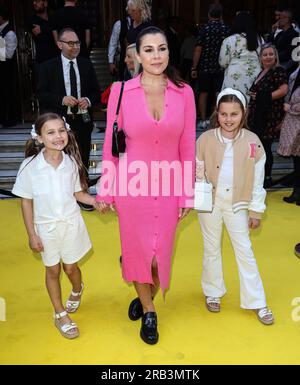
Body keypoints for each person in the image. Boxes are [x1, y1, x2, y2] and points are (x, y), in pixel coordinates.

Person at [96, 26, 195, 345]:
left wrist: (187, 193)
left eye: (162, 48)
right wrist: (105, 188)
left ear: (170, 52)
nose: (156, 56)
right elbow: (112, 147)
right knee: (142, 255)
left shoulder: (185, 93)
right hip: (132, 186)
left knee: (158, 257)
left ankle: (142, 292)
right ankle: (150, 310)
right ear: (136, 55)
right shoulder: (121, 91)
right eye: (149, 50)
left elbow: (188, 147)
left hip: (168, 187)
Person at [12, 113, 97, 339]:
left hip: (71, 223)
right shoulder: (29, 166)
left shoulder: (70, 162)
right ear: (39, 138)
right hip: (45, 228)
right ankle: (59, 314)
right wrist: (32, 234)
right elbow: (26, 201)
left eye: (61, 130)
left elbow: (78, 193)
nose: (58, 136)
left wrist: (97, 201)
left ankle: (77, 289)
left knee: (71, 268)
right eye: (50, 132)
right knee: (53, 270)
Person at [196, 88, 274, 326]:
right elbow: (198, 172)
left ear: (244, 113)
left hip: (238, 204)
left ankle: (257, 300)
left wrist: (256, 210)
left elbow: (258, 180)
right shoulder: (205, 139)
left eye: (234, 114)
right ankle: (213, 291)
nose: (228, 119)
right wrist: (198, 198)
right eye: (223, 114)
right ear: (216, 114)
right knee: (211, 248)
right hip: (210, 204)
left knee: (245, 251)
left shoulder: (253, 142)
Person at [37, 28, 100, 209]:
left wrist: (87, 100)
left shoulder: (86, 65)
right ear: (60, 44)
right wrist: (62, 99)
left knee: (83, 157)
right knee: (58, 159)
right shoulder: (48, 66)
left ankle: (83, 196)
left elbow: (96, 92)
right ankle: (59, 198)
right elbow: (41, 94)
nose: (75, 47)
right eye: (70, 43)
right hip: (58, 123)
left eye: (78, 43)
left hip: (82, 121)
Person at [248, 44, 288, 187]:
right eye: (265, 54)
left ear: (276, 56)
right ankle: (260, 176)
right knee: (259, 147)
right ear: (260, 57)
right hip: (258, 116)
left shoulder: (278, 70)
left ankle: (267, 177)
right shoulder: (262, 72)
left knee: (265, 147)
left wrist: (262, 97)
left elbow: (283, 90)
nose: (268, 57)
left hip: (269, 117)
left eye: (271, 54)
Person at [191, 3, 230, 129]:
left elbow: (198, 49)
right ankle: (216, 120)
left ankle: (203, 120)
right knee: (218, 93)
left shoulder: (205, 29)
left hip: (205, 66)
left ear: (209, 15)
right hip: (221, 67)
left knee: (203, 93)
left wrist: (194, 67)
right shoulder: (226, 29)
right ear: (221, 15)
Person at [219, 11, 263, 102]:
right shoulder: (259, 39)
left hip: (234, 77)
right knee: (252, 104)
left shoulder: (229, 40)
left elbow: (223, 62)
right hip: (255, 76)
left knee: (233, 103)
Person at [278, 64, 300, 204]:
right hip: (293, 123)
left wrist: (290, 108)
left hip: (296, 119)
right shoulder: (297, 68)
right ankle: (297, 192)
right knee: (297, 161)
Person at [0, 7, 18, 127]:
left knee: (8, 93)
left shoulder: (9, 33)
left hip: (6, 69)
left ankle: (10, 119)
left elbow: (8, 54)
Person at [269, 9, 298, 78]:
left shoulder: (294, 34)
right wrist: (272, 32)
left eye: (280, 18)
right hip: (276, 61)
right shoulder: (280, 33)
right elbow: (271, 44)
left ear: (287, 19)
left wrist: (275, 58)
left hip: (286, 65)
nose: (278, 20)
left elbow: (289, 53)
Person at [31, 0, 58, 65]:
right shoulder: (33, 20)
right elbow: (39, 34)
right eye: (33, 1)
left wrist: (43, 29)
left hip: (57, 59)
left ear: (45, 3)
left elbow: (61, 31)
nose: (34, 3)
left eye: (37, 1)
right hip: (43, 62)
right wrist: (52, 30)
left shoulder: (54, 17)